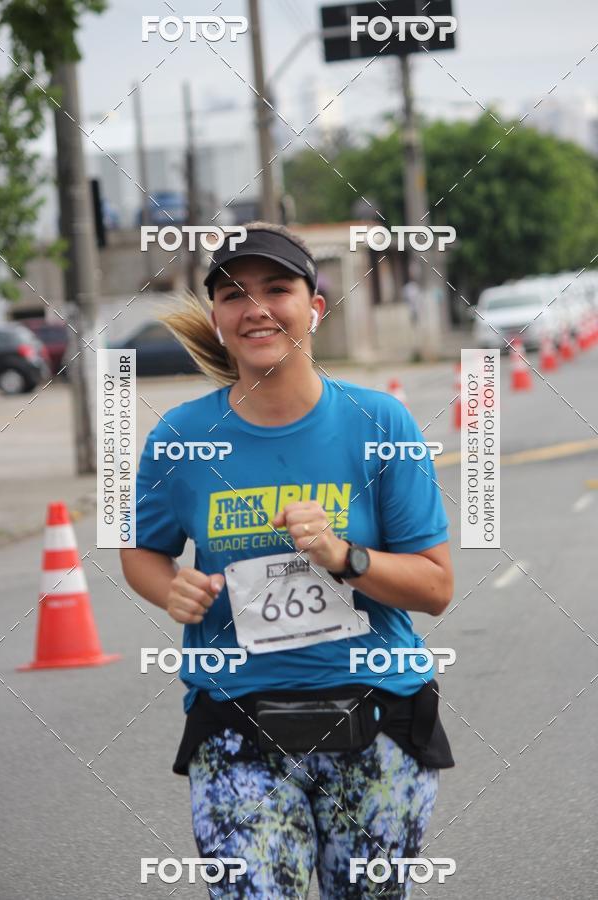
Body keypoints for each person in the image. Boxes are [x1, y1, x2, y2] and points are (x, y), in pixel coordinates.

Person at [120, 221, 455, 900]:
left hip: (377, 723)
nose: (258, 308)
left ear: (316, 306)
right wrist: (169, 590)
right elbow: (141, 552)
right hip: (237, 726)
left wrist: (344, 555)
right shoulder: (180, 437)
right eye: (236, 295)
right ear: (217, 317)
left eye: (279, 289)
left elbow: (436, 587)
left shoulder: (380, 423)